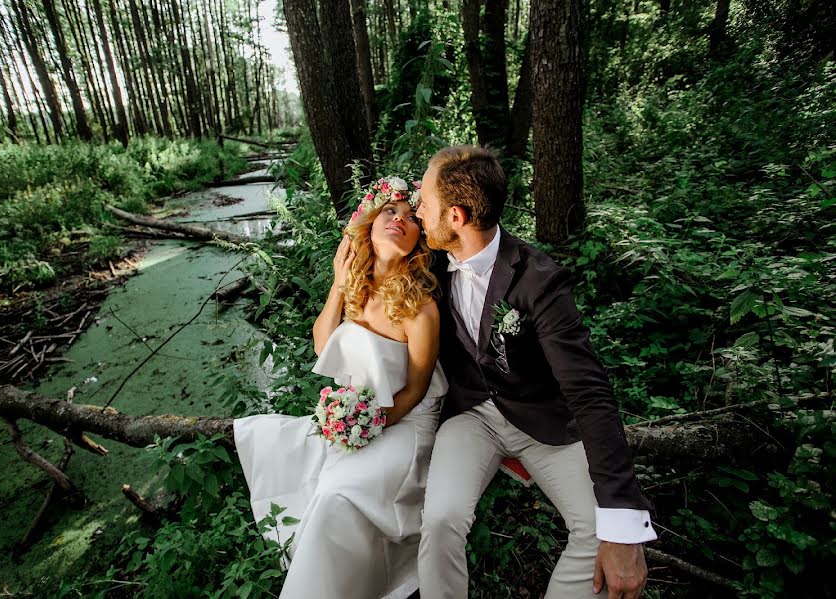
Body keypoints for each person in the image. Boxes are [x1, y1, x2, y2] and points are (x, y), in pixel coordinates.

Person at [414, 146, 657, 599]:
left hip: (542, 423)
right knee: (441, 519)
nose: (416, 209)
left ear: (457, 216)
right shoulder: (428, 259)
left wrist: (625, 520)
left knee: (599, 531)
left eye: (424, 203)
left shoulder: (539, 280)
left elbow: (588, 391)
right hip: (471, 418)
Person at [232, 176, 446, 599]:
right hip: (361, 412)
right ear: (370, 223)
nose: (399, 219)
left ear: (420, 240)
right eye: (390, 211)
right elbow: (322, 342)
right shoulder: (355, 289)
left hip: (406, 422)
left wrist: (368, 424)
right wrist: (339, 280)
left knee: (336, 493)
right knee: (280, 445)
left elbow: (417, 391)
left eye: (409, 217)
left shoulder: (420, 309)